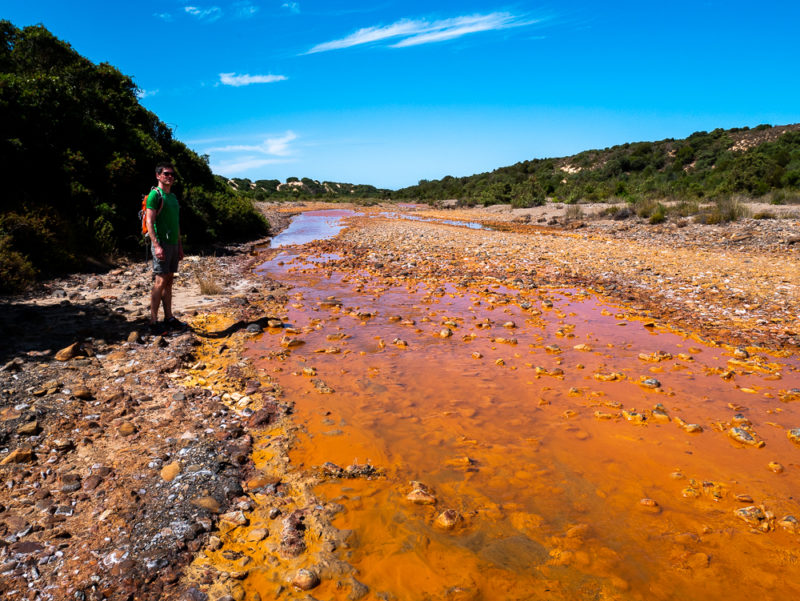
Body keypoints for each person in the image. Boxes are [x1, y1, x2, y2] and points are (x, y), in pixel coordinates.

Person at [145, 162, 185, 333]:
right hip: (161, 244)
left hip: (173, 245)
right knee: (160, 281)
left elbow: (176, 224)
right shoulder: (155, 195)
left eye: (172, 174)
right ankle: (153, 321)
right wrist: (156, 245)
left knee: (169, 282)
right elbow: (149, 221)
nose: (170, 177)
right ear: (158, 176)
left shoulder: (174, 198)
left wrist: (180, 247)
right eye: (166, 174)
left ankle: (169, 317)